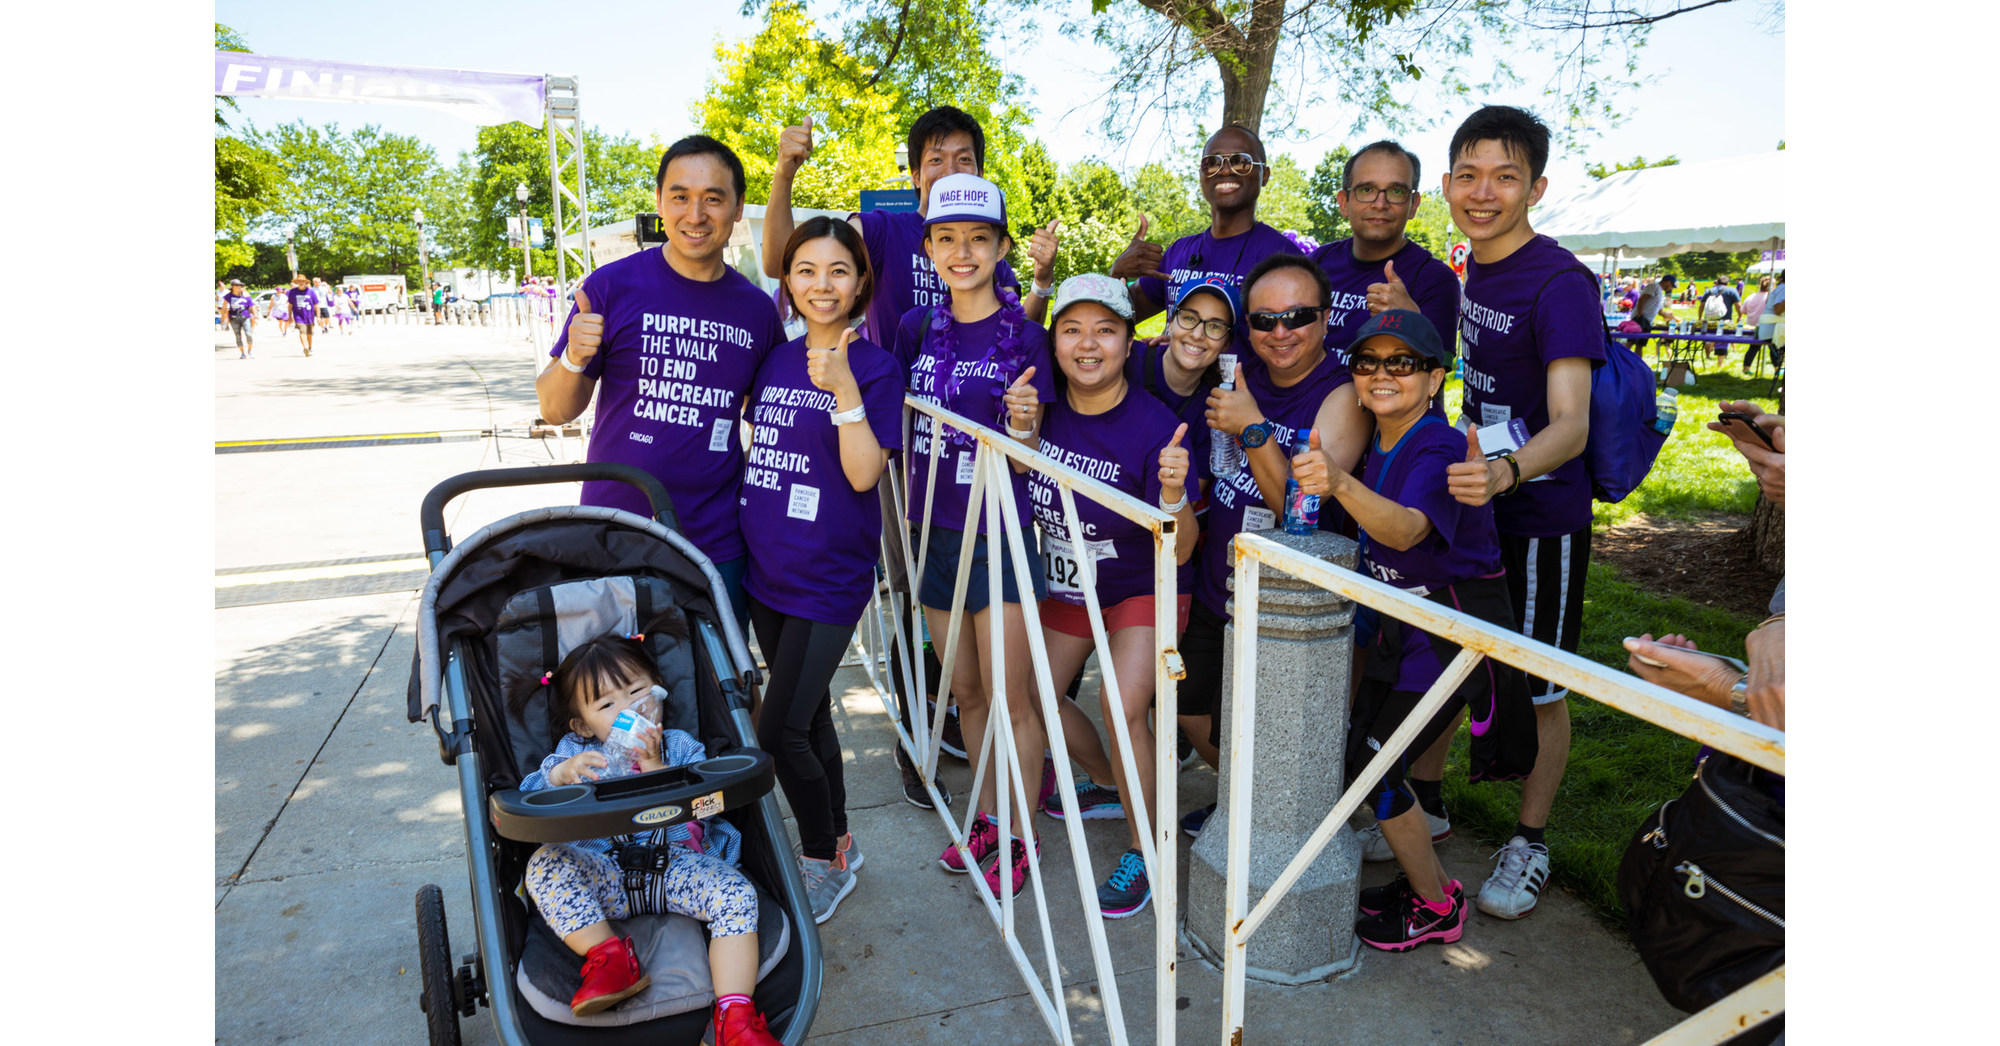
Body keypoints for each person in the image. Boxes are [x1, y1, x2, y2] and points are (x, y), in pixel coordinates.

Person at [1288, 308, 1536, 952]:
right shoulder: (1382, 440)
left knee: (1371, 764)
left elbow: (1406, 530)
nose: (1381, 374)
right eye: (1368, 362)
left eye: (1402, 363)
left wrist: (1337, 483)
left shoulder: (1437, 444)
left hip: (1452, 632)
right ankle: (1421, 876)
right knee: (1362, 758)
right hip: (1405, 628)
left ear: (1434, 378)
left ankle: (1436, 904)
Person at [1420, 104, 1607, 922]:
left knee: (1538, 685)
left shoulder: (1562, 282)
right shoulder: (1477, 270)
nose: (1483, 192)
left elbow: (1572, 424)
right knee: (1458, 657)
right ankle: (1423, 805)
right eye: (1468, 175)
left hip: (1542, 515)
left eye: (1504, 176)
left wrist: (1505, 473)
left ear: (1536, 186)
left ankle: (1530, 841)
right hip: (1483, 502)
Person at [542, 135, 786, 624]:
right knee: (619, 693)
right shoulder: (610, 286)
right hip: (615, 533)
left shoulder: (757, 310)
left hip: (716, 543)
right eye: (680, 196)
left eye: (713, 198)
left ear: (737, 209)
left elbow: (774, 423)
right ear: (659, 202)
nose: (695, 214)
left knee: (722, 688)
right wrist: (573, 357)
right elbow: (555, 410)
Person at [893, 172, 1057, 899]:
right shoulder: (915, 329)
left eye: (979, 239)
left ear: (1000, 247)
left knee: (1010, 695)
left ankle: (1021, 833)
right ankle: (985, 817)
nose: (963, 253)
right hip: (933, 532)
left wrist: (1023, 425)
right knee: (966, 693)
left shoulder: (1027, 335)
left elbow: (1035, 440)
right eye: (949, 239)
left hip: (1000, 532)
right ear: (929, 246)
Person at [738, 217, 904, 923]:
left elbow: (864, 474)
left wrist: (843, 389)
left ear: (860, 281)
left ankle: (818, 856)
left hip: (828, 578)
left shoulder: (876, 367)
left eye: (838, 270)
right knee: (806, 719)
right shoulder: (775, 358)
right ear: (788, 280)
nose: (821, 284)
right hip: (765, 570)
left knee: (778, 735)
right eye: (806, 269)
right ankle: (840, 840)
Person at [1178, 253, 1371, 837]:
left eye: (1298, 316)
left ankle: (1283, 824)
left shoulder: (1342, 393)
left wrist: (1252, 426)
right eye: (1264, 321)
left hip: (1290, 602)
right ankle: (1251, 804)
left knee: (1276, 731)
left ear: (1327, 315)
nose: (1280, 332)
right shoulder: (1237, 374)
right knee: (1193, 716)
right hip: (1222, 579)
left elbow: (1299, 510)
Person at [1024, 272, 1199, 918]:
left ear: (1130, 343)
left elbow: (1182, 548)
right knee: (1029, 693)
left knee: (1120, 701)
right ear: (1055, 342)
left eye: (1105, 330)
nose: (1088, 344)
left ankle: (1143, 848)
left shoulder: (1157, 427)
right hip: (1070, 584)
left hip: (1138, 586)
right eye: (1072, 329)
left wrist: (1173, 497)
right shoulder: (1039, 411)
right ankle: (1105, 779)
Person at [515, 633, 781, 1044]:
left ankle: (735, 1017)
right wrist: (559, 776)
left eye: (637, 691)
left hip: (674, 866)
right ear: (583, 724)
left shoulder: (679, 747)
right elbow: (529, 797)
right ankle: (608, 956)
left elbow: (702, 817)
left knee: (736, 893)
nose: (630, 708)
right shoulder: (574, 753)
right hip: (604, 875)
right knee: (545, 864)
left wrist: (657, 768)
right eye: (607, 704)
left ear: (658, 689)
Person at [1112, 124, 1302, 324]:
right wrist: (1117, 273)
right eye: (1212, 162)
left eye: (1240, 162)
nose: (1225, 170)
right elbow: (1114, 318)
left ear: (1265, 175)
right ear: (1201, 175)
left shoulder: (1284, 258)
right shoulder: (1179, 252)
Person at [1307, 140, 1460, 372]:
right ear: (1344, 202)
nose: (1380, 204)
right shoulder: (1319, 262)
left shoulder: (1436, 279)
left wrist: (1411, 321)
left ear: (1413, 205)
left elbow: (1437, 373)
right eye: (1366, 190)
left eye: (1396, 191)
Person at [220, 278, 257, 359]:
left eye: (240, 285)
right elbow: (224, 307)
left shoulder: (246, 295)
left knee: (248, 334)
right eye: (236, 285)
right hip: (233, 318)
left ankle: (250, 350)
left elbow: (252, 306)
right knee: (238, 336)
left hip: (245, 316)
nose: (238, 286)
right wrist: (223, 318)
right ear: (232, 287)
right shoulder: (228, 296)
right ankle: (242, 353)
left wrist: (255, 316)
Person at [285, 274, 318, 356]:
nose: (301, 282)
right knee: (302, 331)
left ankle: (310, 347)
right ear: (297, 282)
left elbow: (316, 305)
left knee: (309, 333)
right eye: (299, 281)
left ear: (305, 282)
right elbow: (290, 305)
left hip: (309, 315)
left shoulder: (311, 292)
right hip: (298, 316)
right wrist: (290, 316)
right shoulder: (293, 292)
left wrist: (318, 316)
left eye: (303, 281)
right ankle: (305, 347)